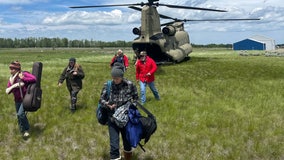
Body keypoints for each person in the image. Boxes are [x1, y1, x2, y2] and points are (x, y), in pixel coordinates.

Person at [99, 62, 138, 160]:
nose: (115, 80)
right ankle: (115, 157)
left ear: (121, 76)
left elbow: (136, 98)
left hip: (126, 119)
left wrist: (130, 107)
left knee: (127, 143)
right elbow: (101, 99)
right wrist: (107, 104)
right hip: (112, 118)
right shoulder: (108, 85)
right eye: (113, 78)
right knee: (114, 145)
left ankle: (128, 157)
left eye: (117, 78)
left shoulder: (129, 85)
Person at [6, 61, 36, 138]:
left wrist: (23, 78)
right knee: (19, 116)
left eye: (12, 69)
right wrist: (13, 86)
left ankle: (27, 129)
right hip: (17, 100)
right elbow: (8, 90)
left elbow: (34, 78)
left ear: (17, 69)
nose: (11, 70)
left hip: (25, 99)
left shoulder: (23, 74)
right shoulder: (11, 79)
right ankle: (22, 131)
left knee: (20, 114)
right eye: (10, 68)